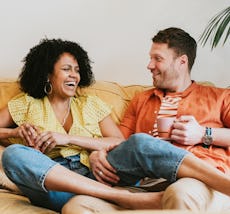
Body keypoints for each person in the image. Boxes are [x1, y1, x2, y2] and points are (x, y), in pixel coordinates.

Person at [0, 37, 230, 213]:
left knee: (140, 142)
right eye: (67, 69)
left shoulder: (90, 103)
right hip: (57, 182)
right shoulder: (25, 104)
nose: (75, 75)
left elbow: (121, 143)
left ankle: (225, 184)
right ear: (47, 73)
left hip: (96, 172)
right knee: (13, 155)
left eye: (77, 69)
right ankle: (124, 198)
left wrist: (79, 143)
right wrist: (15, 132)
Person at [87, 27, 230, 212]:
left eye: (158, 59)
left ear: (182, 62)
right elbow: (119, 143)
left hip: (195, 180)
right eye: (150, 58)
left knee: (180, 194)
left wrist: (204, 133)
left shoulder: (219, 97)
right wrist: (96, 154)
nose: (149, 65)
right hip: (144, 183)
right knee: (78, 205)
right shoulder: (141, 99)